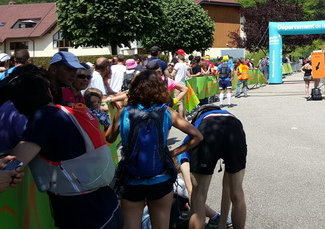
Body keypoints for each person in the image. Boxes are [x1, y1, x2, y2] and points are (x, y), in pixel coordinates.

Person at [5, 65, 123, 228]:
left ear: (17, 105)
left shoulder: (43, 118)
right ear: (48, 92)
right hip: (107, 206)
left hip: (84, 215)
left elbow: (14, 162)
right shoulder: (66, 112)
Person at [106, 69, 203, 229]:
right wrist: (173, 153)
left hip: (131, 178)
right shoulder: (167, 113)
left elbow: (109, 138)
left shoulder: (123, 113)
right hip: (161, 177)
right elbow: (197, 136)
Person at [187, 105, 247, 229]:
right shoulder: (228, 114)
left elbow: (184, 152)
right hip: (235, 129)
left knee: (199, 196)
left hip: (209, 129)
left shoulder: (199, 121)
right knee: (237, 194)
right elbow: (227, 188)